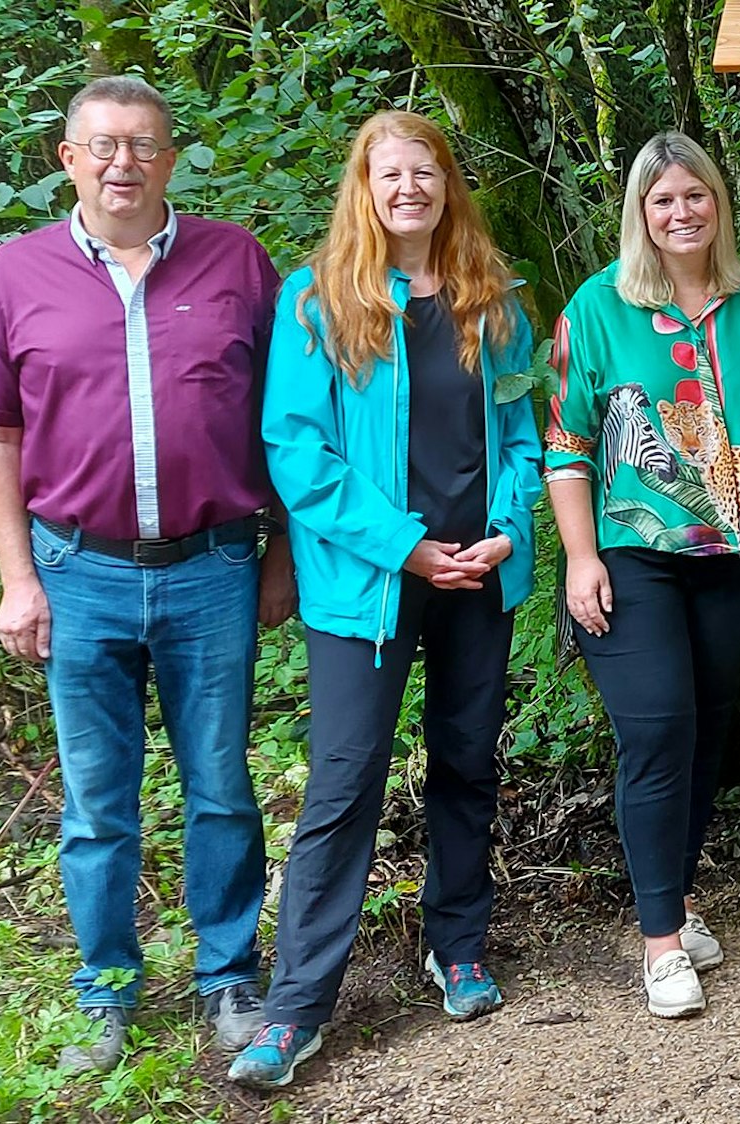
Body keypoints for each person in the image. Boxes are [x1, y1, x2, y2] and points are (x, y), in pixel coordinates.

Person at [0, 75, 292, 1071]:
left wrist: (281, 551)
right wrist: (17, 577)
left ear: (172, 158)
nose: (122, 162)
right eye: (102, 145)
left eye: (143, 144)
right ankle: (105, 989)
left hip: (213, 566)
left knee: (221, 785)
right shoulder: (17, 272)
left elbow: (287, 421)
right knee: (99, 801)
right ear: (69, 158)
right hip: (77, 570)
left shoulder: (237, 262)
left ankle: (229, 974)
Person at [229, 110, 543, 1089]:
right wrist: (406, 548)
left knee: (465, 761)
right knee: (344, 780)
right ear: (363, 188)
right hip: (364, 583)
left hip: (476, 575)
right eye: (389, 173)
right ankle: (295, 1009)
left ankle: (459, 945)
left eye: (425, 171)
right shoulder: (318, 302)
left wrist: (507, 526)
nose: (408, 187)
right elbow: (299, 453)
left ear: (449, 185)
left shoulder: (494, 301)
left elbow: (528, 438)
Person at [543, 130, 740, 1019]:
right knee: (655, 729)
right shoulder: (598, 307)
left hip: (738, 551)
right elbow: (564, 442)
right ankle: (661, 947)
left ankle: (677, 897)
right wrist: (579, 557)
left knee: (706, 729)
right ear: (639, 212)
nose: (681, 213)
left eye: (696, 196)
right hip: (633, 550)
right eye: (662, 200)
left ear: (719, 203)